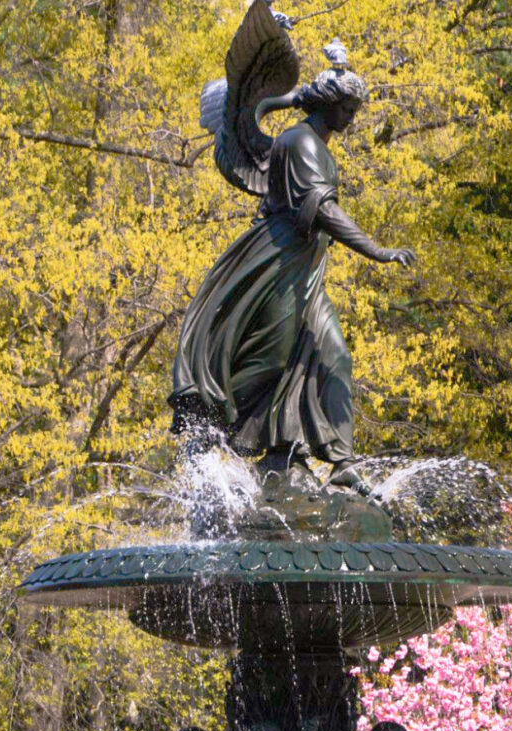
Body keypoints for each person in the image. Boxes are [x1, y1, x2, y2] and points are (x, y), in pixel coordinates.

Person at [172, 14, 415, 492]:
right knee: (273, 361)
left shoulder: (319, 145)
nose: (354, 116)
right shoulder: (300, 142)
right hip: (279, 266)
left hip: (306, 269)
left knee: (335, 357)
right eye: (348, 107)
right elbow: (323, 211)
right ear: (328, 104)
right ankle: (213, 427)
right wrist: (378, 252)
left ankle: (339, 459)